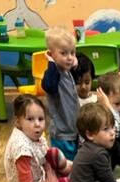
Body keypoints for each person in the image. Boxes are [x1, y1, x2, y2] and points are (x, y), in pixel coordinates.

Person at [4, 95, 72, 182]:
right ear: (18, 122)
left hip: (40, 171)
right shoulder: (21, 147)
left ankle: (68, 169)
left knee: (54, 153)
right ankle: (72, 177)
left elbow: (43, 152)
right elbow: (24, 175)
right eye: (30, 119)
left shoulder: (30, 133)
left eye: (40, 119)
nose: (37, 124)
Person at [42, 25, 80, 161]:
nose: (69, 58)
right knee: (64, 166)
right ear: (51, 55)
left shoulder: (66, 70)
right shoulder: (52, 74)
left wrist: (76, 61)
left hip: (73, 130)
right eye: (64, 53)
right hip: (61, 134)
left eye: (72, 53)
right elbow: (49, 86)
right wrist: (51, 64)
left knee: (75, 162)